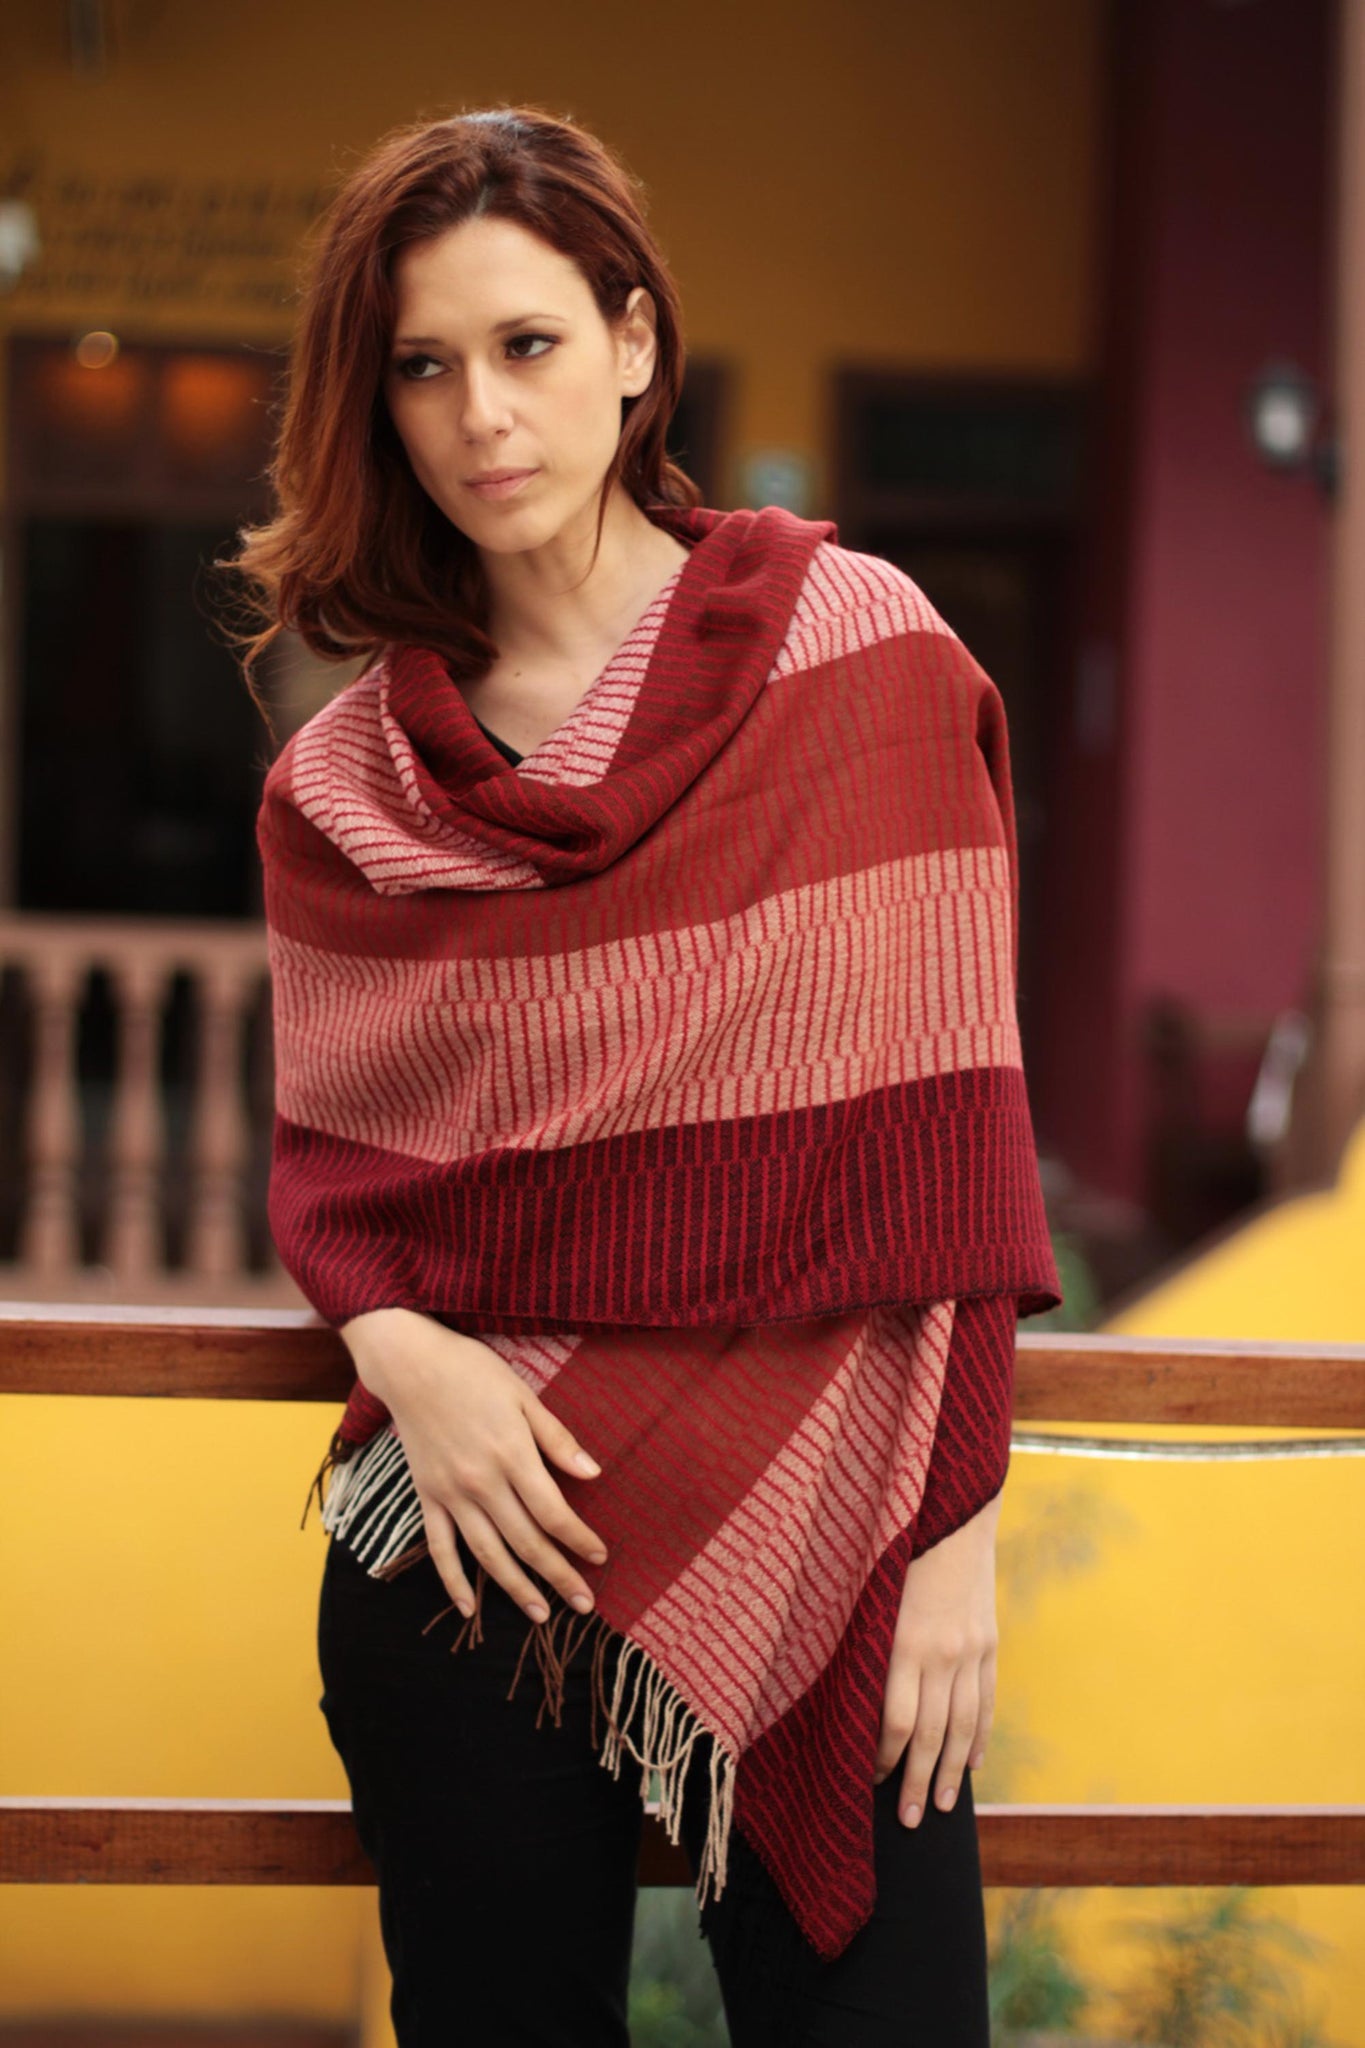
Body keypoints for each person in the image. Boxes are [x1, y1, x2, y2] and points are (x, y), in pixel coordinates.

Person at [228, 103, 1061, 2048]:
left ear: (628, 340)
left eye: (524, 344)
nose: (479, 415)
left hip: (839, 1534)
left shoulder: (860, 658)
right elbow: (333, 1176)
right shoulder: (344, 789)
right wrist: (411, 1357)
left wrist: (950, 1541)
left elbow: (953, 1143)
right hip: (468, 1538)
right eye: (421, 366)